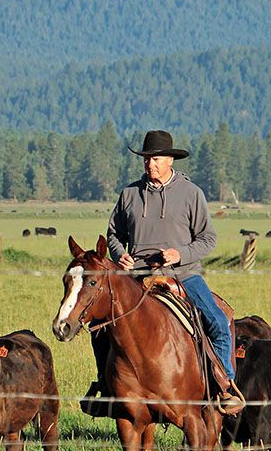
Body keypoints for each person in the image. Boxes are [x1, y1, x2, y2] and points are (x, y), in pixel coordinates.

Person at [83, 129, 241, 416]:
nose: (150, 164)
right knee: (100, 326)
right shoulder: (129, 194)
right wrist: (121, 255)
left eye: (155, 159)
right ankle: (106, 387)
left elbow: (208, 239)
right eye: (146, 159)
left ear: (170, 160)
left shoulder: (191, 194)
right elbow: (114, 234)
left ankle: (223, 385)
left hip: (182, 274)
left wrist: (179, 254)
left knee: (218, 320)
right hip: (136, 276)